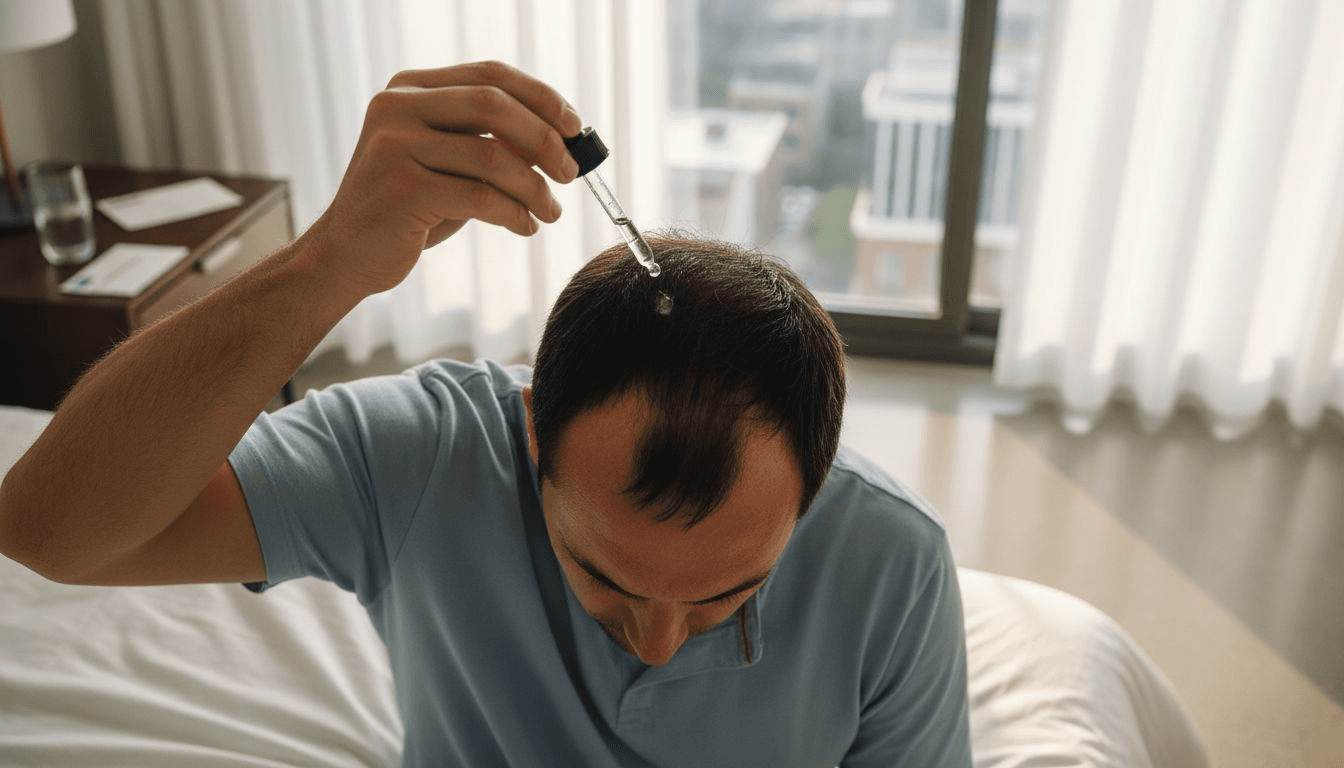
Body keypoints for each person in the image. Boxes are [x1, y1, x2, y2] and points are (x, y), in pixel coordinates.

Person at [0, 61, 971, 766]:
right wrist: (328, 260)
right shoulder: (423, 461)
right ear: (530, 430)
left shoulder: (894, 562)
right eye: (606, 576)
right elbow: (49, 534)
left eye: (727, 598)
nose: (659, 643)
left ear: (819, 478)